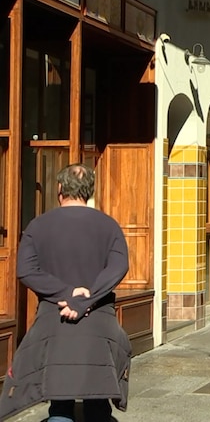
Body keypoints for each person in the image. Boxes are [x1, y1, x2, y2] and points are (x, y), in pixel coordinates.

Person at [0, 164, 131, 422]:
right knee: (97, 402)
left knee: (60, 404)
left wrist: (66, 292)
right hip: (98, 326)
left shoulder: (38, 226)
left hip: (55, 322)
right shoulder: (109, 226)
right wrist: (86, 297)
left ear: (59, 190)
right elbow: (119, 266)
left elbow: (26, 270)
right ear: (90, 191)